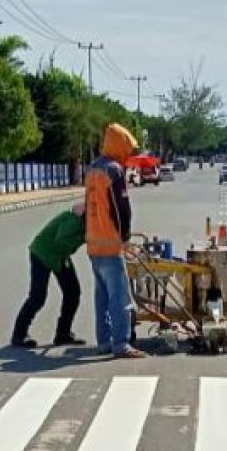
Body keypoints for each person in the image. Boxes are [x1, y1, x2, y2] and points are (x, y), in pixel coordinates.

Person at [85, 123, 147, 359]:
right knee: (119, 295)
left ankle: (103, 341)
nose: (129, 154)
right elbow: (121, 209)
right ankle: (121, 344)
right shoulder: (114, 170)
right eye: (128, 148)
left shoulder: (93, 169)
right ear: (120, 145)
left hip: (93, 242)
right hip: (110, 242)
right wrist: (125, 237)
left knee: (102, 296)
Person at [11, 203, 87, 348]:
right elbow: (60, 240)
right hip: (43, 253)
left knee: (72, 292)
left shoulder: (81, 219)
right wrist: (83, 238)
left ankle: (63, 334)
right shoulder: (73, 222)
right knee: (38, 297)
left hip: (59, 256)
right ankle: (19, 335)